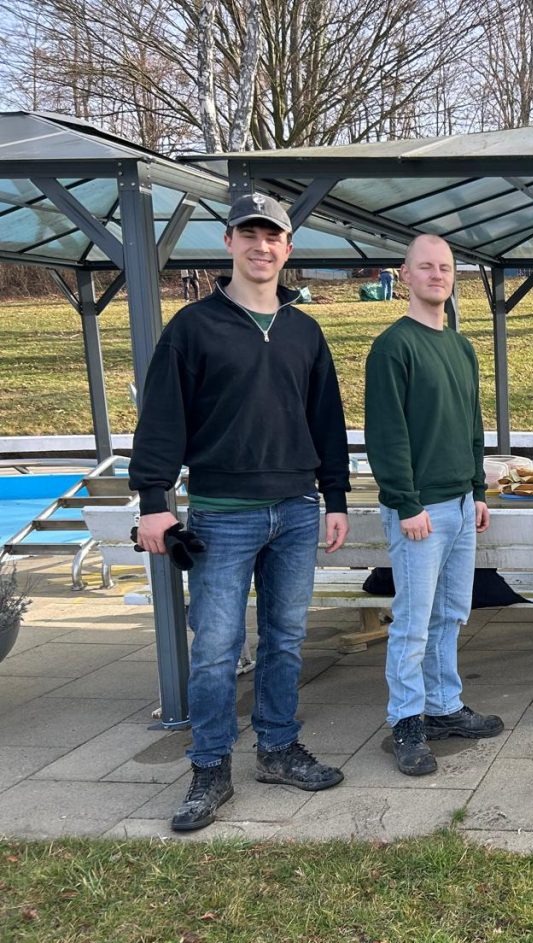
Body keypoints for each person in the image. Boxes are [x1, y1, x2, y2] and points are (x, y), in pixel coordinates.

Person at [130, 192, 350, 831]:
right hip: (222, 514)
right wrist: (153, 502)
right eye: (249, 234)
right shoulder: (193, 328)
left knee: (286, 639)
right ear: (228, 242)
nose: (261, 246)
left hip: (296, 510)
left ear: (288, 248)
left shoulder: (304, 331)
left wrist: (335, 497)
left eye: (272, 236)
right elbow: (162, 419)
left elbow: (327, 421)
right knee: (216, 648)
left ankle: (278, 749)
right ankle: (209, 768)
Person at [365, 235, 504, 776]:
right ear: (405, 274)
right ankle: (406, 721)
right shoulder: (393, 347)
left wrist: (477, 491)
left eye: (445, 267)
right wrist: (405, 503)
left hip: (461, 506)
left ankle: (444, 706)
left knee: (451, 614)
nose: (437, 275)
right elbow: (387, 434)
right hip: (419, 512)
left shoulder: (461, 347)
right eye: (425, 267)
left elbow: (472, 424)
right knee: (413, 622)